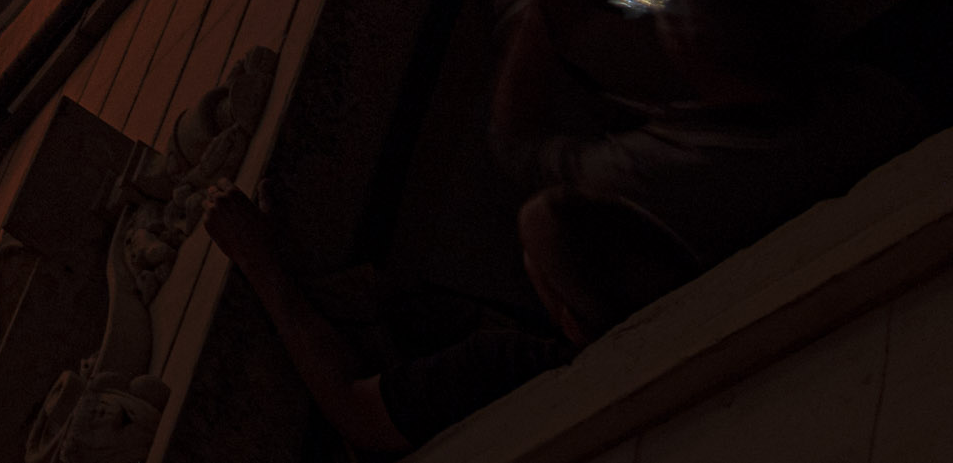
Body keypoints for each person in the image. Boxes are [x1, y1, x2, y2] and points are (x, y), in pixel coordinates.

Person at [487, 0, 920, 271]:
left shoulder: (654, 172)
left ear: (683, 43)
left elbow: (518, 147)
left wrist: (543, 9)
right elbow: (688, 8)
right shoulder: (871, 98)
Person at [199, 182, 696, 453]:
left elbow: (357, 414)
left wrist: (258, 261)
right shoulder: (685, 329)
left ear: (569, 321)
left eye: (534, 263)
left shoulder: (511, 365)